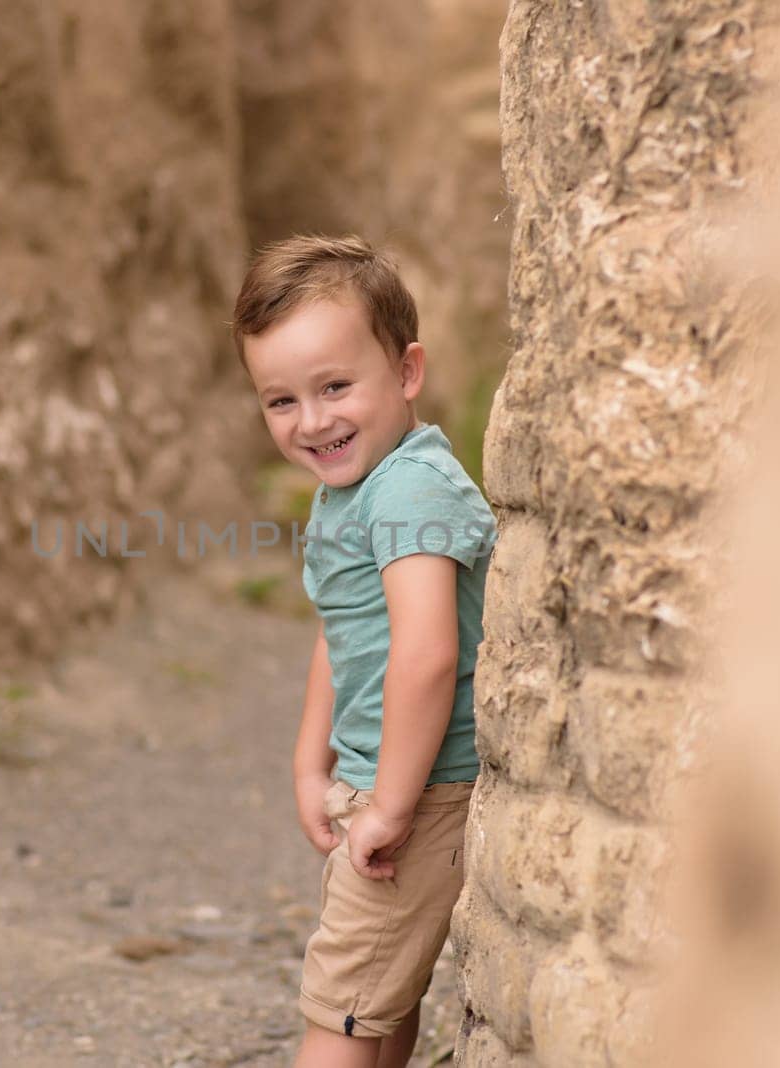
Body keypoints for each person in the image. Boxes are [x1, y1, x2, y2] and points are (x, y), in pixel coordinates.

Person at [231, 234, 497, 1068]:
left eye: (336, 386)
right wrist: (314, 766)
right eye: (281, 401)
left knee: (339, 1005)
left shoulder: (410, 487)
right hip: (387, 781)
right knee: (377, 1002)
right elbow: (340, 628)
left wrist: (386, 805)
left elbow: (426, 656)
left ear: (407, 373)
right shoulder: (352, 490)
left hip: (421, 790)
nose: (313, 422)